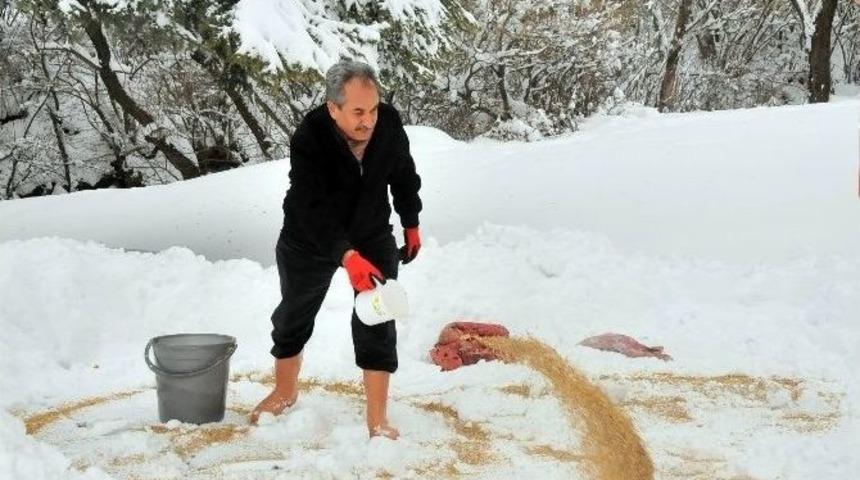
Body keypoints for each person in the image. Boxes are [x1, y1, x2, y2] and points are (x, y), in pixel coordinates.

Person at [249, 60, 422, 440]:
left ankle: (377, 419)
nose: (369, 120)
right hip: (310, 235)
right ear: (334, 108)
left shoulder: (388, 124)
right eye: (358, 112)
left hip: (370, 229)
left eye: (374, 108)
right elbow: (311, 207)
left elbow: (403, 172)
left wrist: (411, 221)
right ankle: (284, 390)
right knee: (294, 313)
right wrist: (345, 256)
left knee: (378, 315)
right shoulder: (310, 137)